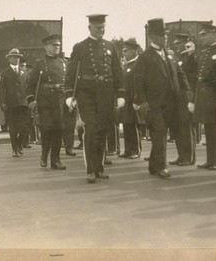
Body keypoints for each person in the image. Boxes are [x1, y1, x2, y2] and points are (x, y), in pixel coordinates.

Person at [65, 14, 125, 182]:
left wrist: (120, 93)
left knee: (103, 130)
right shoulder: (81, 47)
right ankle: (90, 170)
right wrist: (69, 94)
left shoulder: (111, 46)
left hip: (106, 95)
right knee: (91, 130)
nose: (101, 30)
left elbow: (117, 72)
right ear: (90, 27)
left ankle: (99, 168)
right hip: (87, 95)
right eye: (98, 28)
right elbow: (71, 73)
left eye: (103, 27)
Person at [133, 18, 191, 178]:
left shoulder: (169, 54)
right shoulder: (145, 57)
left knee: (164, 134)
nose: (165, 38)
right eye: (160, 35)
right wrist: (143, 102)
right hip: (154, 104)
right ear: (152, 37)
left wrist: (187, 91)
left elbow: (180, 74)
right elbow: (138, 82)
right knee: (159, 135)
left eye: (165, 35)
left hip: (173, 103)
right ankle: (161, 167)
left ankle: (153, 164)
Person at [188, 24, 216, 170]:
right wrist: (193, 98)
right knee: (208, 128)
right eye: (201, 35)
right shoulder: (204, 52)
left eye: (204, 35)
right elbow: (196, 76)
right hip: (204, 96)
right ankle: (210, 159)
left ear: (214, 34)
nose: (201, 37)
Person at [27, 34, 69, 169]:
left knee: (59, 128)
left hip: (60, 100)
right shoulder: (40, 64)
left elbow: (69, 83)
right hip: (45, 100)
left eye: (58, 45)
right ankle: (44, 155)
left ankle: (55, 160)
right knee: (47, 128)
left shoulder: (64, 64)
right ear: (46, 47)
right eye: (54, 45)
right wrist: (32, 100)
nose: (57, 47)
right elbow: (31, 84)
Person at [168, 34, 197, 166]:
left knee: (186, 128)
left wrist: (192, 96)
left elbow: (192, 77)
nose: (176, 45)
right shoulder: (177, 58)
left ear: (186, 43)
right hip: (176, 97)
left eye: (179, 43)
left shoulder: (191, 57)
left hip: (186, 96)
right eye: (175, 43)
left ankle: (189, 157)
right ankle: (181, 155)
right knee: (178, 128)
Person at [0, 48, 30, 157]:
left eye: (17, 57)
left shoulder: (24, 73)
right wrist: (2, 103)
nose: (16, 59)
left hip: (23, 104)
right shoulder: (5, 73)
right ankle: (14, 148)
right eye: (13, 57)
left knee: (24, 127)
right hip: (10, 104)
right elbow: (1, 90)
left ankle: (19, 144)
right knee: (12, 128)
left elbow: (28, 88)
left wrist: (29, 101)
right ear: (9, 59)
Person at [118, 38, 144, 159]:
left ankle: (136, 150)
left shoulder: (138, 65)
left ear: (134, 51)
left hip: (133, 100)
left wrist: (137, 100)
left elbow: (139, 85)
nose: (124, 53)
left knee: (133, 125)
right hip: (126, 101)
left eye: (127, 51)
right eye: (123, 51)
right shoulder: (127, 65)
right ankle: (128, 150)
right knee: (127, 124)